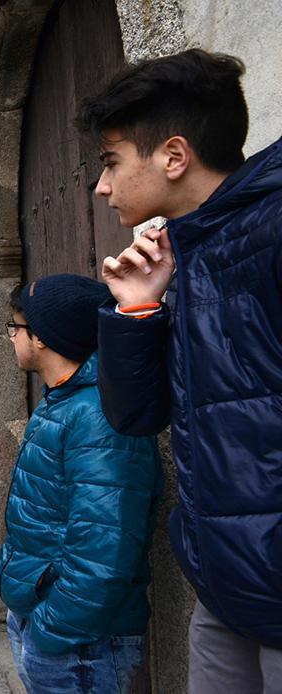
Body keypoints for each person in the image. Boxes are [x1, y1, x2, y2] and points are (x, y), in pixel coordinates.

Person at [78, 49, 282, 688]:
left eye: (111, 162)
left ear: (173, 156)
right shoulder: (190, 253)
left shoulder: (271, 233)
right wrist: (138, 311)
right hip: (225, 588)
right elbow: (138, 415)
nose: (101, 186)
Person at [0, 275, 161, 693]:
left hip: (79, 644)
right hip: (51, 624)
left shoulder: (97, 418)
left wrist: (49, 633)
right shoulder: (66, 400)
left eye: (15, 328)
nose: (10, 338)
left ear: (42, 339)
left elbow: (104, 553)